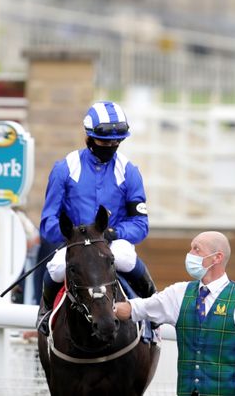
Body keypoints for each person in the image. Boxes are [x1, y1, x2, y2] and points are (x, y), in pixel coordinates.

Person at [115, 232, 235, 396]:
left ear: (217, 258)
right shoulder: (178, 293)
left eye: (196, 249)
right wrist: (107, 308)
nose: (190, 254)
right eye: (191, 248)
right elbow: (136, 308)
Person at [37, 101, 156, 320]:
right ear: (89, 137)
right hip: (75, 243)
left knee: (127, 259)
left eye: (116, 142)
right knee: (55, 269)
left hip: (112, 242)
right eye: (104, 141)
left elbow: (140, 224)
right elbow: (48, 222)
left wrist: (114, 233)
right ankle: (44, 315)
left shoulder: (129, 171)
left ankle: (152, 314)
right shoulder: (64, 168)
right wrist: (72, 235)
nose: (110, 146)